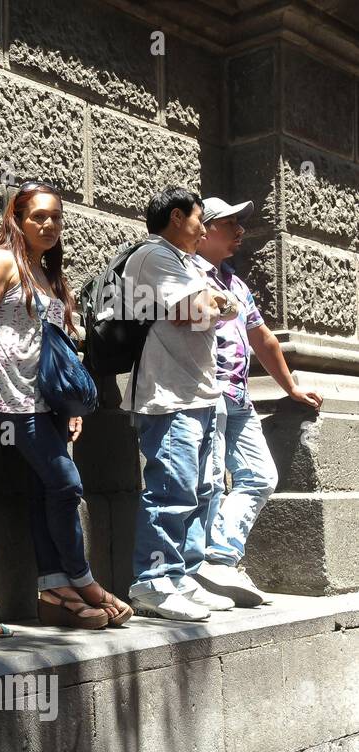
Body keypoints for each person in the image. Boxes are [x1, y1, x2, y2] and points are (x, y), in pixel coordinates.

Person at [0, 182, 131, 629]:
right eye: (38, 215)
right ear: (17, 219)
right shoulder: (1, 263)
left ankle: (55, 593)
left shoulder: (48, 273)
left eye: (56, 216)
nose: (49, 224)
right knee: (66, 483)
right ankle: (84, 581)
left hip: (51, 402)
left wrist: (72, 406)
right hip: (14, 402)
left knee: (45, 491)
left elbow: (60, 347)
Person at [190, 197, 323, 607]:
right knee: (208, 482)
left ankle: (219, 558)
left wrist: (290, 388)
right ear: (206, 229)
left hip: (238, 398)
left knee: (260, 476)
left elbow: (262, 338)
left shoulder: (235, 282)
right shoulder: (184, 272)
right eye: (231, 224)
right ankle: (201, 569)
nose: (240, 232)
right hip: (204, 394)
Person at [123, 187, 242, 622]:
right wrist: (216, 304)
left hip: (198, 393)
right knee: (171, 490)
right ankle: (153, 583)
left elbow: (223, 305)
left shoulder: (186, 260)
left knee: (198, 490)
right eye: (198, 221)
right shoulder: (155, 256)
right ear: (177, 217)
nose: (204, 230)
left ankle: (183, 576)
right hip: (168, 396)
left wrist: (217, 303)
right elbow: (190, 312)